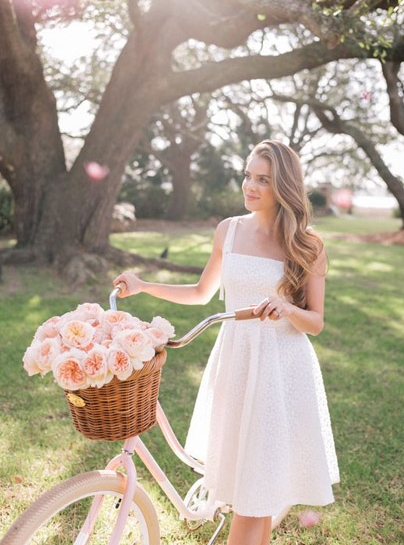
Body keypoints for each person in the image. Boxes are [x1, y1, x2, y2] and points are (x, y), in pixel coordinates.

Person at [113, 140, 339, 545]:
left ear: (283, 186)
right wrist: (144, 285)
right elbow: (202, 292)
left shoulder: (307, 245)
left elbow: (316, 322)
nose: (250, 186)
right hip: (235, 362)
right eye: (248, 176)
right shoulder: (228, 231)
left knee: (255, 492)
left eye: (263, 180)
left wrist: (286, 308)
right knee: (249, 486)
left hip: (280, 367)